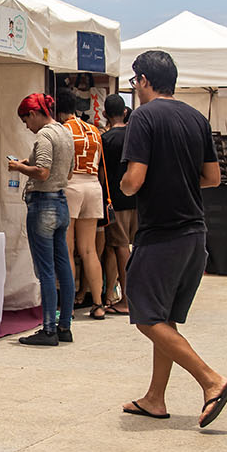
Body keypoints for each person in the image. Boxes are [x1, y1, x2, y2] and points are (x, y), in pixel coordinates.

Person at [120, 51, 227, 428]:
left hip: (161, 233)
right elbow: (213, 177)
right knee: (166, 317)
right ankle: (155, 398)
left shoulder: (143, 117)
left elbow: (134, 179)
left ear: (143, 81)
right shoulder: (195, 118)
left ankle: (210, 380)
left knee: (145, 315)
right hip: (194, 232)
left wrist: (124, 187)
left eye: (134, 81)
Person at [7, 93, 76, 346]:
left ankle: (48, 330)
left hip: (43, 203)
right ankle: (64, 326)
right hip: (61, 202)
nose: (27, 125)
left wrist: (19, 168)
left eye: (26, 119)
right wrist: (30, 162)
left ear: (34, 113)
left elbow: (43, 172)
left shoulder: (45, 135)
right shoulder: (64, 132)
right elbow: (66, 169)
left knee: (45, 270)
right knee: (63, 267)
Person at [58, 91, 107, 320]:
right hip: (94, 185)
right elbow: (103, 166)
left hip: (72, 186)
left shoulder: (63, 130)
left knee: (67, 249)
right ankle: (98, 303)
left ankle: (67, 306)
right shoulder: (94, 131)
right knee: (89, 250)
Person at [99, 93, 135, 315]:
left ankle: (127, 300)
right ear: (124, 112)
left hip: (115, 200)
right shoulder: (135, 136)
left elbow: (102, 172)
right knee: (133, 247)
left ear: (104, 114)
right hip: (138, 198)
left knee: (120, 248)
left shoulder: (105, 139)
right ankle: (116, 294)